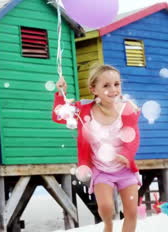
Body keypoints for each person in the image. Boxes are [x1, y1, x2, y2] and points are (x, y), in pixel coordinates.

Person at [53, 64, 140, 232]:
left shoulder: (127, 109)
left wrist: (126, 154)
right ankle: (108, 224)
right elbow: (59, 116)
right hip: (101, 170)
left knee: (132, 212)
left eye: (116, 84)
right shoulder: (84, 109)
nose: (113, 89)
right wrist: (60, 94)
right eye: (106, 85)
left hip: (125, 169)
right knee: (107, 207)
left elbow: (133, 137)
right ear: (94, 89)